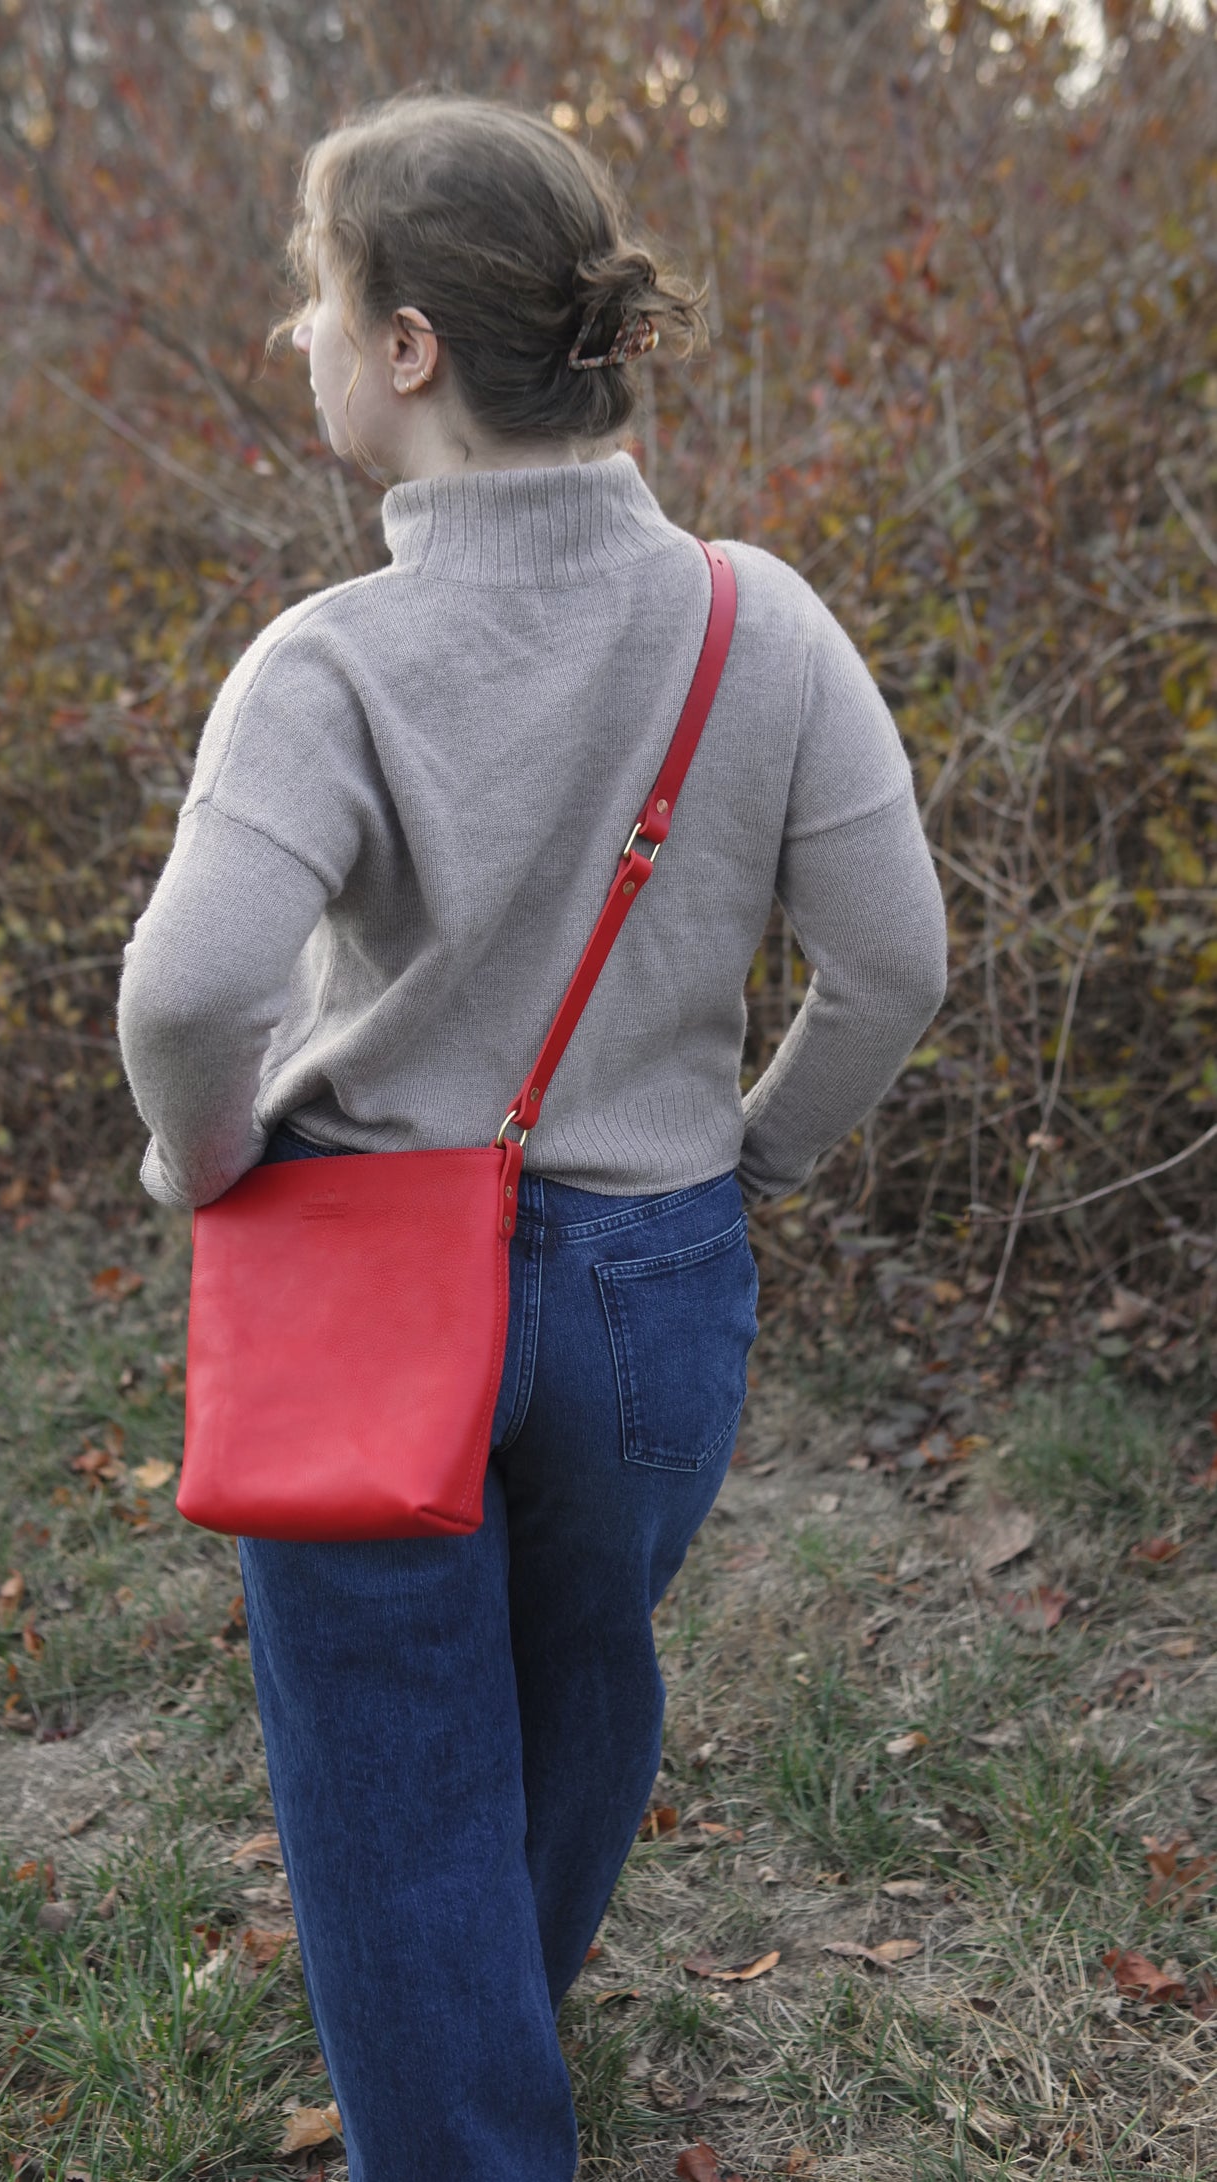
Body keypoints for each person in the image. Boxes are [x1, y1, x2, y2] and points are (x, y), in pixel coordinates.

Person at [117, 89, 947, 2182]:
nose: (298, 333)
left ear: (408, 347)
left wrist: (205, 1164)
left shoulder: (330, 662)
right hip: (659, 1280)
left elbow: (190, 991)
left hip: (366, 1282)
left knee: (396, 1789)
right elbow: (895, 967)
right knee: (581, 1687)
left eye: (319, 296)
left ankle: (460, 2113)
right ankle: (478, 2053)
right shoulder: (768, 624)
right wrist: (748, 1160)